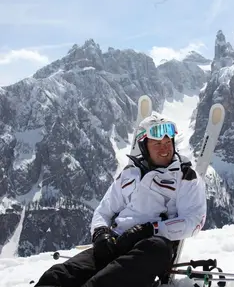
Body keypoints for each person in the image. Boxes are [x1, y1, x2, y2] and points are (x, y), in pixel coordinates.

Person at [35, 112, 207, 287]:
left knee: (156, 249)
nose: (165, 148)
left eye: (168, 142)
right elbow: (104, 210)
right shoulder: (130, 173)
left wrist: (151, 229)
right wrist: (100, 233)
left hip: (149, 247)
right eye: (157, 144)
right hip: (116, 242)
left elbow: (194, 221)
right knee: (57, 276)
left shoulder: (185, 176)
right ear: (144, 146)